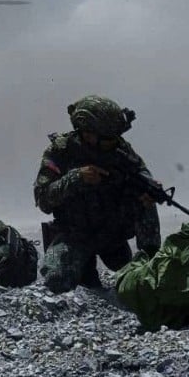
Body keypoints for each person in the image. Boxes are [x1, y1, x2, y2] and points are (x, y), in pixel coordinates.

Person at [33, 95, 161, 293]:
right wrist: (76, 178)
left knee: (146, 198)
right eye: (108, 139)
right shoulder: (61, 152)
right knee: (57, 282)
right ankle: (86, 271)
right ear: (88, 133)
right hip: (75, 235)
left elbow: (142, 175)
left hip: (113, 233)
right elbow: (44, 200)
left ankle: (152, 265)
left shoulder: (121, 150)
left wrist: (149, 189)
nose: (114, 143)